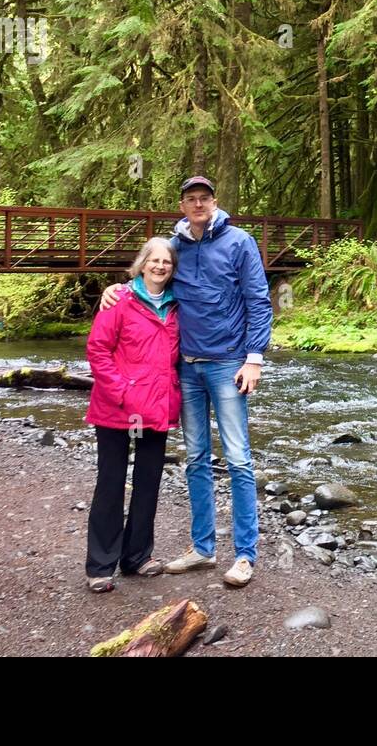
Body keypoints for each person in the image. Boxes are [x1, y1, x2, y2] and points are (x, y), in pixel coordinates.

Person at [100, 175, 272, 587]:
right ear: (182, 205)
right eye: (191, 199)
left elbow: (259, 300)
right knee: (196, 458)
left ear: (215, 202)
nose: (198, 204)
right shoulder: (175, 246)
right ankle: (203, 548)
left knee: (238, 458)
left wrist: (254, 359)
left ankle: (245, 556)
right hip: (186, 368)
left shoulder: (239, 242)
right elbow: (151, 280)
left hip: (228, 364)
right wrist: (119, 287)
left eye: (205, 198)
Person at [83, 237, 181, 592]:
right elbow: (97, 350)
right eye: (153, 260)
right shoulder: (120, 300)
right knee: (110, 484)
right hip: (117, 409)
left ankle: (137, 557)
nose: (159, 266)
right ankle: (100, 565)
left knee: (148, 483)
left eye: (166, 262)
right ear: (141, 265)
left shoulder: (176, 305)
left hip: (157, 408)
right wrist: (122, 391)